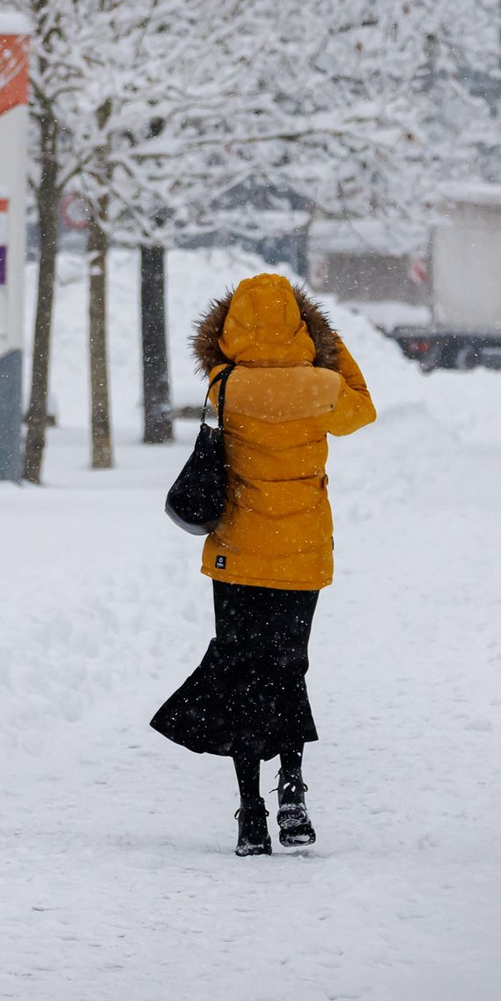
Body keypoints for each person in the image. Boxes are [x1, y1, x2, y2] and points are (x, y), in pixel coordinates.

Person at [151, 273, 376, 856]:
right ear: (302, 324)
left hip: (238, 554)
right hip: (300, 554)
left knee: (243, 672)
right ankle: (293, 788)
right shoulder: (323, 385)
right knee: (286, 666)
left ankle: (251, 814)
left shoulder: (224, 385)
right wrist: (329, 343)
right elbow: (363, 411)